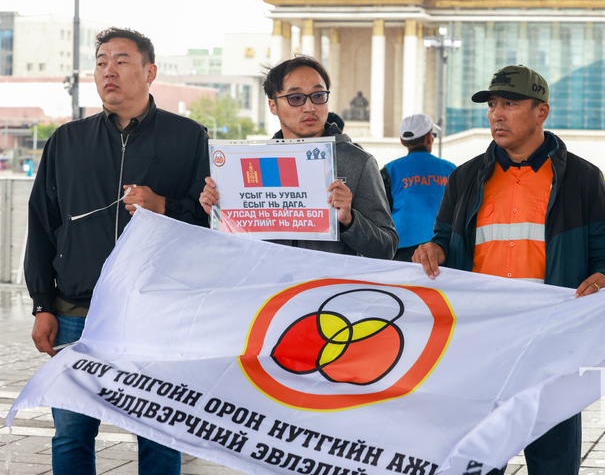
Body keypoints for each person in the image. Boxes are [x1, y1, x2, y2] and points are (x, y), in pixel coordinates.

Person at [413, 65, 605, 475]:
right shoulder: (464, 177)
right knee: (477, 459)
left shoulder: (582, 178)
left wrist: (604, 279)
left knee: (553, 461)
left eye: (509, 104)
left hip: (551, 345)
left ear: (541, 112)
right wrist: (434, 249)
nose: (496, 114)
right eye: (492, 105)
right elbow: (442, 238)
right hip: (481, 344)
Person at [25, 27, 210, 474]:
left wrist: (163, 206)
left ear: (150, 72)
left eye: (122, 61)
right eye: (102, 61)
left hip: (156, 311)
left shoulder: (189, 138)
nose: (109, 70)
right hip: (76, 312)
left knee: (158, 434)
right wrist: (42, 304)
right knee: (72, 435)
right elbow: (42, 227)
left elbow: (211, 223)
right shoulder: (66, 142)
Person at [199, 55, 397, 258]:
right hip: (271, 288)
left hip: (330, 288)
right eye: (295, 98)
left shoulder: (358, 162)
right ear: (273, 106)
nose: (310, 107)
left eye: (318, 95)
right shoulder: (253, 164)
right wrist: (219, 214)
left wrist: (350, 220)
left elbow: (387, 248)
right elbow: (232, 249)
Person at [380, 114, 455, 261]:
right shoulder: (451, 170)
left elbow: (382, 212)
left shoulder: (389, 170)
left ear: (402, 141)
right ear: (429, 138)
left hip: (401, 247)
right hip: (441, 247)